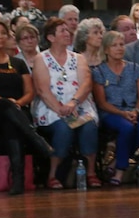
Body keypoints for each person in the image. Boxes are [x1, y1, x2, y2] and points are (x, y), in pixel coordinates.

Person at [0, 18, 53, 194]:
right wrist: (8, 103)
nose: (0, 37)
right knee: (5, 106)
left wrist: (16, 103)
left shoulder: (18, 63)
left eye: (3, 33)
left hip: (16, 112)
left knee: (11, 123)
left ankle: (18, 180)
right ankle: (36, 140)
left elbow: (29, 92)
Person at [31, 17, 101, 189]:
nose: (67, 33)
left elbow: (86, 84)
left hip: (78, 106)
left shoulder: (78, 58)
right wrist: (60, 109)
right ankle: (53, 174)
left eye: (67, 30)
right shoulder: (42, 59)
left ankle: (91, 172)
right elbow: (42, 89)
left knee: (89, 126)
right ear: (50, 37)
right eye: (62, 30)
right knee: (63, 128)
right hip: (51, 108)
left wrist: (73, 103)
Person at [92, 30, 139, 186]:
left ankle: (117, 159)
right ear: (106, 49)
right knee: (127, 128)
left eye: (121, 45)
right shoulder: (98, 71)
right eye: (114, 45)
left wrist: (136, 111)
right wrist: (122, 113)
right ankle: (120, 170)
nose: (119, 48)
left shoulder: (134, 68)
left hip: (134, 110)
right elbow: (102, 102)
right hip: (111, 112)